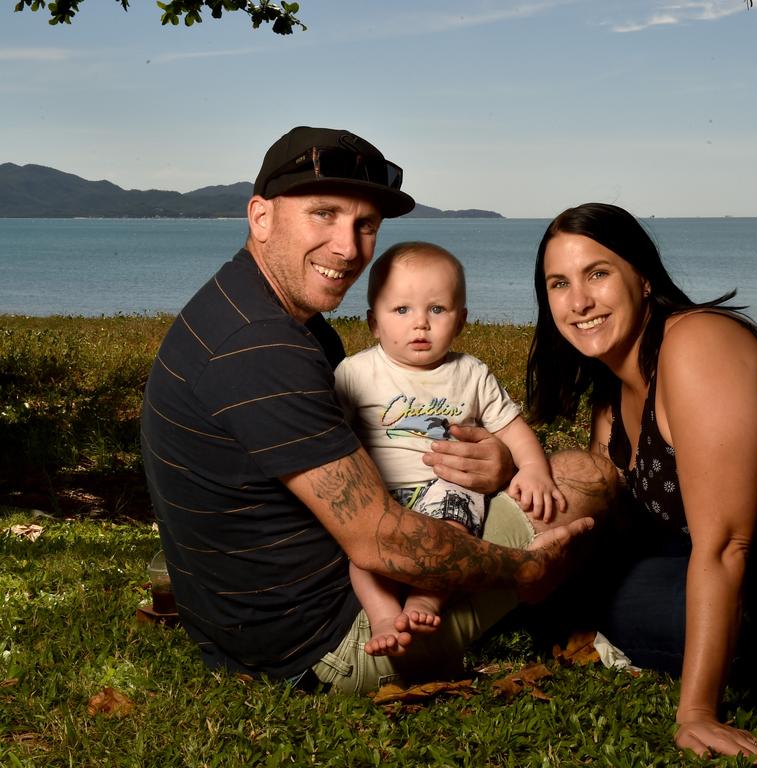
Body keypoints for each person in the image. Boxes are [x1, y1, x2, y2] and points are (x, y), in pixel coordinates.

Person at [141, 127, 611, 695]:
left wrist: (500, 472)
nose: (349, 247)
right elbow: (380, 540)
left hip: (245, 633)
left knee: (538, 487)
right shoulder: (262, 348)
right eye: (324, 214)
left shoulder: (252, 309)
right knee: (587, 480)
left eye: (365, 225)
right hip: (333, 644)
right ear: (260, 217)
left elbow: (370, 463)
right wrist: (524, 569)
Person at [526, 203, 757, 766]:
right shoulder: (613, 395)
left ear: (644, 278)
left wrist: (697, 713)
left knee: (590, 592)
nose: (578, 301)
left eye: (598, 273)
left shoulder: (699, 345)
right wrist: (509, 470)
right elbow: (617, 511)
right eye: (560, 283)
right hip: (727, 566)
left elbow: (727, 546)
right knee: (581, 563)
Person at [335, 241, 565, 655]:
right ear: (374, 323)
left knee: (450, 536)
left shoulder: (470, 374)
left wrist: (533, 468)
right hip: (384, 497)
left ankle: (427, 599)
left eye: (436, 310)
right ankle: (384, 614)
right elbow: (331, 433)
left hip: (448, 489)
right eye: (401, 310)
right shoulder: (356, 373)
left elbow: (512, 429)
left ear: (460, 321)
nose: (419, 324)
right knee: (365, 555)